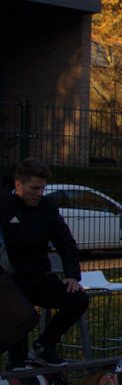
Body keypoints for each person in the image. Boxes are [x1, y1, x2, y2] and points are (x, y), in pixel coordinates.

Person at [1, 157, 89, 369]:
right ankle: (17, 363)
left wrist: (72, 275)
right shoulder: (3, 206)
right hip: (9, 280)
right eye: (34, 188)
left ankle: (43, 346)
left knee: (78, 299)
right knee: (22, 313)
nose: (39, 193)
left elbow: (65, 241)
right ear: (18, 185)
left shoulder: (47, 207)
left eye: (42, 188)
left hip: (39, 277)